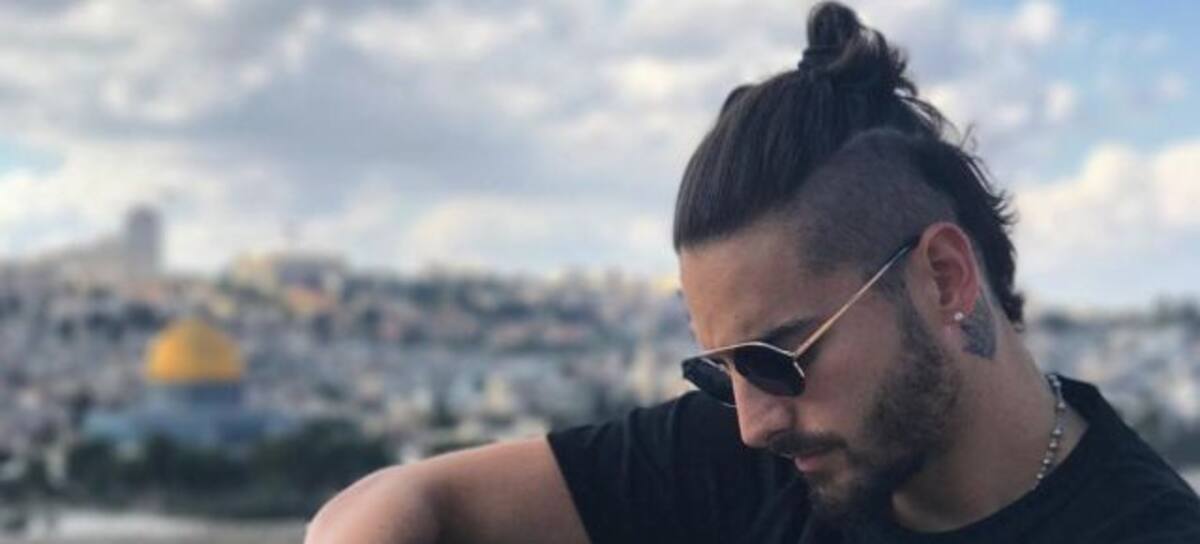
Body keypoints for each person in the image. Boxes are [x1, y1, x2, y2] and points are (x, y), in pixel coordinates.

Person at [305, 3, 1200, 543]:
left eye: (779, 358)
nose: (750, 421)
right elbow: (398, 497)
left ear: (942, 278)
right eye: (721, 370)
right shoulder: (776, 458)